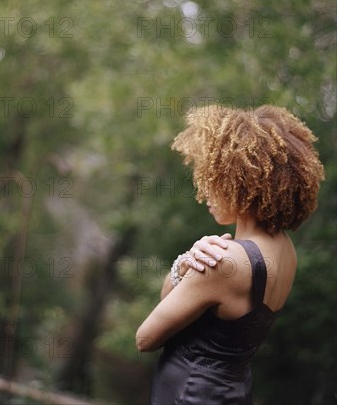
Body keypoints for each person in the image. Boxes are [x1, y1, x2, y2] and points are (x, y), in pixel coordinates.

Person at [136, 104, 324, 404]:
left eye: (215, 179)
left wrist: (195, 269)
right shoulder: (285, 250)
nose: (207, 192)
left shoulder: (224, 263)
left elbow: (146, 338)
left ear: (243, 183)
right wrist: (185, 264)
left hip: (190, 395)